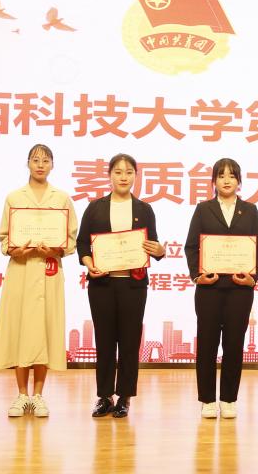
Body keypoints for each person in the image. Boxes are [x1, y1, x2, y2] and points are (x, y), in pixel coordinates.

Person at [0, 144, 78, 418]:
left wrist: (57, 248)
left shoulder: (62, 199)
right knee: (21, 329)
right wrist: (14, 249)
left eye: (46, 160)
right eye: (36, 160)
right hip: (21, 269)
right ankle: (21, 395)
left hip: (49, 270)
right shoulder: (14, 198)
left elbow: (71, 238)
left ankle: (38, 395)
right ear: (27, 163)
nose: (40, 165)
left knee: (44, 329)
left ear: (53, 165)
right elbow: (4, 237)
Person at [77, 154, 165, 418]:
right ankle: (104, 396)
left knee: (129, 341)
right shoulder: (95, 207)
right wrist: (89, 263)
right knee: (104, 341)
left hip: (133, 286)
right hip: (102, 284)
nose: (123, 177)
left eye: (128, 172)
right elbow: (82, 243)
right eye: (118, 172)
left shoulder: (144, 209)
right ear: (109, 176)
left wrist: (160, 250)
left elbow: (154, 245)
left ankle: (125, 396)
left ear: (136, 176)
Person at [184, 158, 258, 419]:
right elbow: (191, 246)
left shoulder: (250, 210)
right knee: (207, 344)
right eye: (221, 176)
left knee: (234, 344)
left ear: (239, 181)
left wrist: (253, 277)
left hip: (240, 289)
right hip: (209, 288)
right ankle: (207, 400)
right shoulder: (203, 209)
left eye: (232, 175)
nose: (227, 180)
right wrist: (198, 276)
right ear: (214, 181)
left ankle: (229, 399)